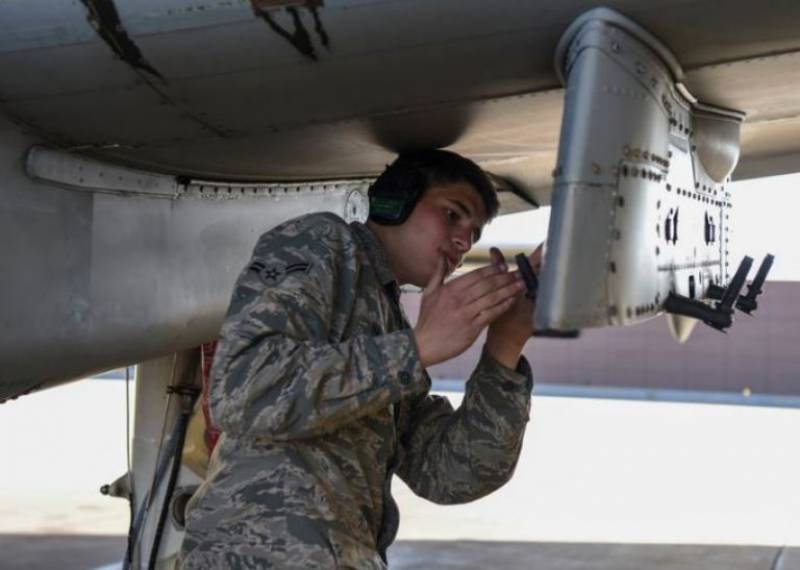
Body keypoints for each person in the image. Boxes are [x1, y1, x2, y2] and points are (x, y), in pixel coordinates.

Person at [178, 150, 539, 569]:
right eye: (452, 215)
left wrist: (505, 345)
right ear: (395, 199)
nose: (463, 240)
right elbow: (244, 391)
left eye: (474, 234)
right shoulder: (321, 243)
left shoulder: (389, 321)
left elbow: (450, 472)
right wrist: (416, 349)